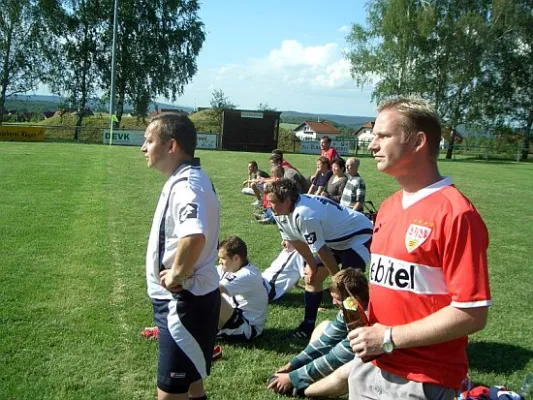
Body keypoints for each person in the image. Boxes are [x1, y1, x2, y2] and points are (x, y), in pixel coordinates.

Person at [347, 98, 491, 400]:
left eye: (383, 136)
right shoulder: (387, 206)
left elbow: (472, 313)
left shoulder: (456, 214)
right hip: (371, 365)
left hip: (421, 380)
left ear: (418, 141)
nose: (372, 145)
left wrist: (388, 337)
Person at [141, 113, 220, 400]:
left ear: (171, 146)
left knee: (170, 395)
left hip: (183, 303)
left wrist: (176, 274)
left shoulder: (188, 185)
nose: (143, 148)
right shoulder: (186, 179)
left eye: (149, 141)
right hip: (187, 301)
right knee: (192, 385)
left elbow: (194, 235)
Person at [264, 178, 373, 339]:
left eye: (272, 201)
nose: (268, 205)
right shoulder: (281, 212)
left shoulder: (305, 214)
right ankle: (308, 326)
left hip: (357, 236)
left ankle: (358, 330)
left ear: (287, 200)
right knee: (312, 278)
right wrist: (312, 266)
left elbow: (321, 250)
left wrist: (338, 280)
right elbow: (296, 241)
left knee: (349, 287)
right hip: (334, 240)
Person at [268, 268, 369, 398]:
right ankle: (310, 374)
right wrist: (294, 364)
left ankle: (304, 390)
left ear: (354, 298)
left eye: (337, 299)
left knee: (348, 370)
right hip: (350, 352)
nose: (333, 303)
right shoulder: (351, 306)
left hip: (372, 363)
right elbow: (326, 340)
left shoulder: (365, 319)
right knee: (324, 326)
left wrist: (294, 378)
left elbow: (338, 355)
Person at [217, 236, 268, 340]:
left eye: (223, 258)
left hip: (247, 327)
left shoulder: (247, 275)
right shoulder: (231, 268)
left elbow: (215, 290)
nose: (219, 262)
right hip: (235, 314)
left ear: (236, 258)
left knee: (211, 295)